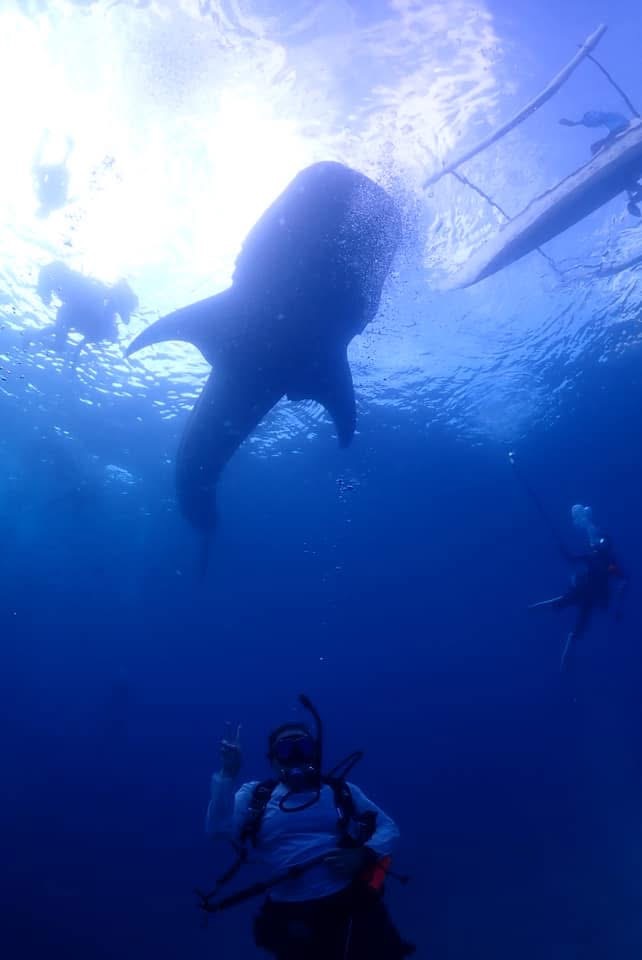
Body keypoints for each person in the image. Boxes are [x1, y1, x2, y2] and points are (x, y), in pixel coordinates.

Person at [204, 697, 414, 959]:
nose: (295, 756)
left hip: (351, 904)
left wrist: (364, 854)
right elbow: (217, 829)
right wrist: (227, 775)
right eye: (285, 750)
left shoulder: (340, 791)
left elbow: (388, 828)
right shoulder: (256, 795)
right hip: (291, 917)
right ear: (273, 760)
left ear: (315, 752)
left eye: (302, 747)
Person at [529, 504, 628, 673]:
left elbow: (622, 579)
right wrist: (563, 550)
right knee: (566, 608)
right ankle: (534, 610)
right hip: (588, 594)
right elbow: (572, 558)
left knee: (570, 614)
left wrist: (618, 604)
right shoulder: (601, 559)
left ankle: (564, 657)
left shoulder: (603, 560)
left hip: (589, 595)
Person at [35, 261, 138, 369]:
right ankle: (32, 335)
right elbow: (70, 310)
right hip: (71, 311)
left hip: (72, 313)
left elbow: (80, 343)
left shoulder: (104, 314)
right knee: (58, 344)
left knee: (58, 345)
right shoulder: (102, 301)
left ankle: (32, 335)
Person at [559, 110, 642, 216]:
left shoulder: (608, 116)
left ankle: (633, 198)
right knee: (624, 180)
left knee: (595, 147)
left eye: (588, 115)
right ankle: (633, 199)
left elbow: (594, 119)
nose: (589, 117)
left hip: (619, 130)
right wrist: (576, 123)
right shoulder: (610, 117)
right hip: (620, 137)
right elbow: (595, 120)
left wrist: (576, 123)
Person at [32, 133, 73, 218]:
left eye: (38, 210)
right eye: (40, 211)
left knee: (34, 169)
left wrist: (38, 176)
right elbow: (65, 189)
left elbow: (39, 182)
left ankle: (43, 140)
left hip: (55, 174)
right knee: (36, 169)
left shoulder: (42, 199)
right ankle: (68, 148)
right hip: (59, 175)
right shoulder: (55, 203)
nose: (40, 208)